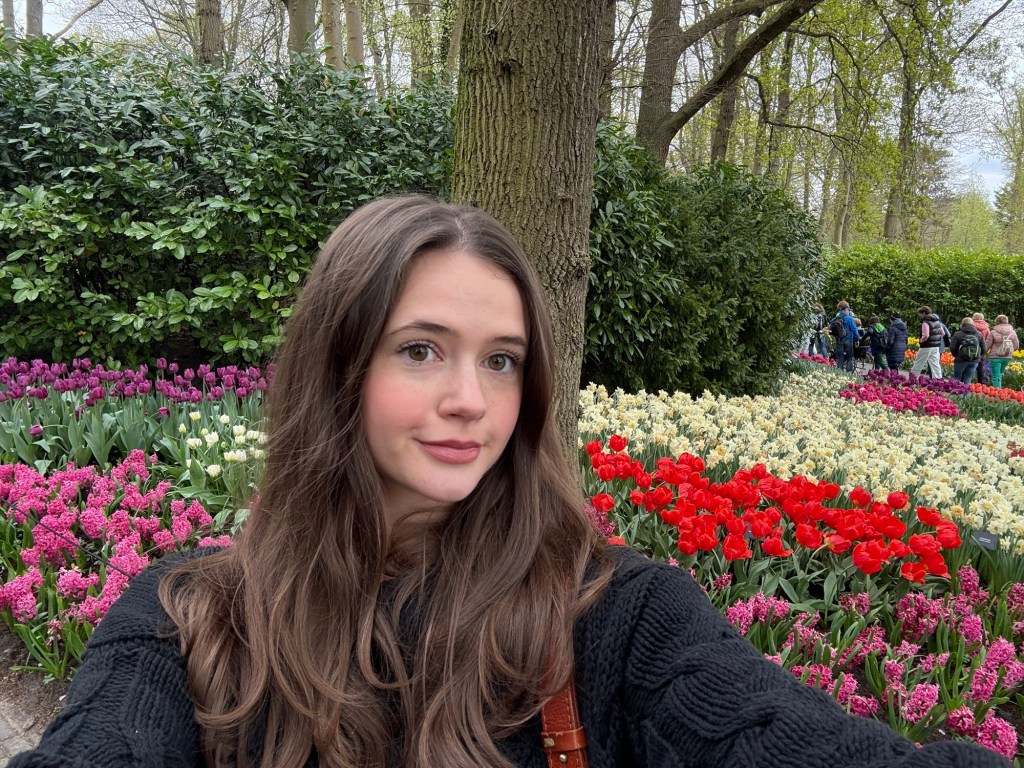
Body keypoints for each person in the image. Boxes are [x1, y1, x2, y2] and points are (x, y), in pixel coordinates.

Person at [11, 196, 1009, 768]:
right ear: (336, 367)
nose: (469, 401)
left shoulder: (613, 621)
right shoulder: (191, 624)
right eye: (420, 350)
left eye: (500, 360)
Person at [986, 314, 1020, 389]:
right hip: (1007, 357)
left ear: (997, 321)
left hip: (995, 357)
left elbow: (987, 345)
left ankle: (997, 393)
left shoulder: (993, 332)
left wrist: (984, 352)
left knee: (995, 376)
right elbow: (1017, 346)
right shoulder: (1012, 332)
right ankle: (1000, 391)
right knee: (1000, 375)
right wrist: (1008, 350)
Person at [910, 306, 945, 378]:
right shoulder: (938, 321)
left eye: (920, 313)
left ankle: (913, 378)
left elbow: (926, 335)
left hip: (926, 346)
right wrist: (936, 339)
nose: (920, 315)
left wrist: (921, 340)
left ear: (924, 313)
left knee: (919, 363)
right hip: (936, 347)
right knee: (935, 364)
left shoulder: (925, 322)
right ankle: (938, 380)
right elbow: (943, 333)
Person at [949, 317, 984, 385]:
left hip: (961, 359)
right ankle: (966, 394)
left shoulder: (958, 334)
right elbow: (984, 349)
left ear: (963, 324)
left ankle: (956, 394)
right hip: (974, 360)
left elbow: (952, 347)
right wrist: (977, 356)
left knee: (957, 377)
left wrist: (957, 355)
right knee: (968, 378)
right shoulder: (979, 334)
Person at [830, 301, 859, 373]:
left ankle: (839, 373)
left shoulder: (835, 319)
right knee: (849, 358)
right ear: (845, 309)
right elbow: (854, 330)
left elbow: (831, 328)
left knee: (840, 357)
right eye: (848, 310)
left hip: (839, 340)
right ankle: (848, 374)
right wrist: (857, 340)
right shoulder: (849, 319)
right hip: (848, 340)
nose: (849, 311)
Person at [973, 312, 991, 384]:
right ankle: (980, 382)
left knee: (969, 364)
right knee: (980, 366)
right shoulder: (986, 328)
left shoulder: (971, 326)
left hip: (971, 348)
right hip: (981, 349)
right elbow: (988, 339)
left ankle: (967, 381)